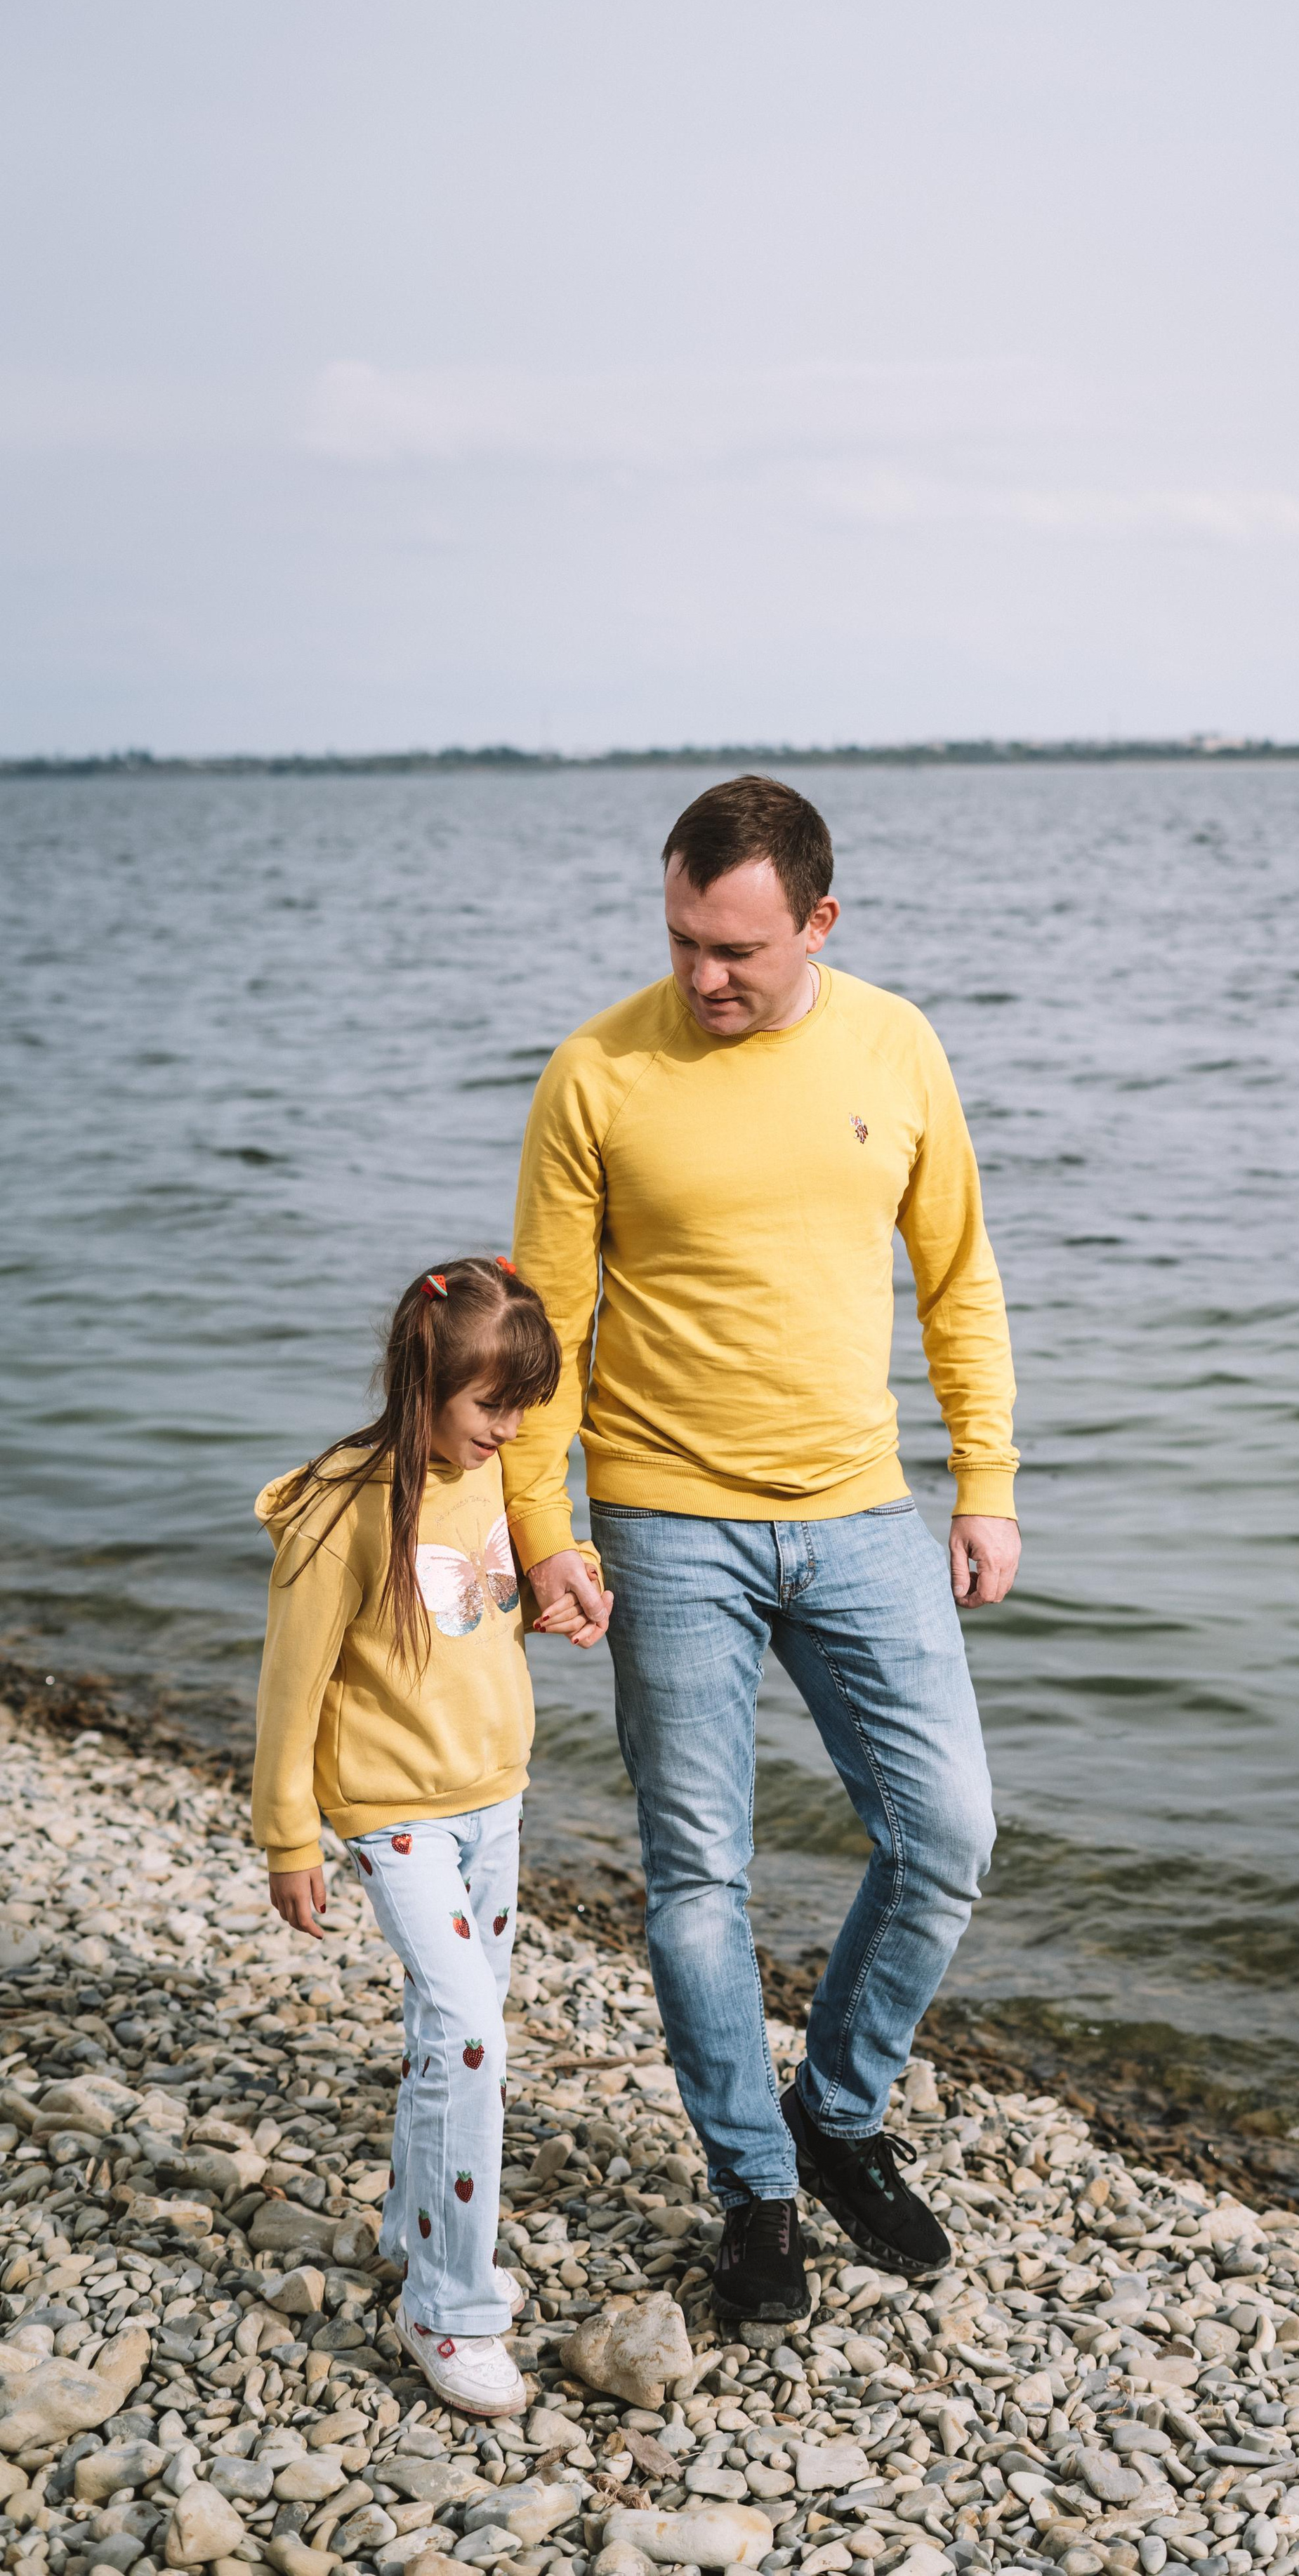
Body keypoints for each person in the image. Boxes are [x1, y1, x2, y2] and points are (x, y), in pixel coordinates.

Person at [505, 776, 1021, 2328]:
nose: (704, 977)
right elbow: (546, 1334)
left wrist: (983, 1481)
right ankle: (755, 2192)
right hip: (665, 1523)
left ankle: (838, 2111)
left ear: (817, 921)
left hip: (860, 1508)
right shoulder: (595, 1073)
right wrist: (544, 1533)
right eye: (681, 941)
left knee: (946, 1833)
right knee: (694, 1884)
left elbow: (956, 1281)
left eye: (737, 949)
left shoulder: (895, 1045)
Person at [249, 1255, 598, 2415]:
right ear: (424, 1384)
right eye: (492, 1404)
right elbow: (290, 1687)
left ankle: (415, 2223)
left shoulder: (491, 1478)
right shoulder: (346, 1508)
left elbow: (479, 1617)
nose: (511, 1428)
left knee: (448, 2031)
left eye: (523, 1404)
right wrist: (288, 1835)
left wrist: (567, 1585)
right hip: (391, 1813)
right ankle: (449, 2307)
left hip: (494, 1795)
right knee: (470, 2038)